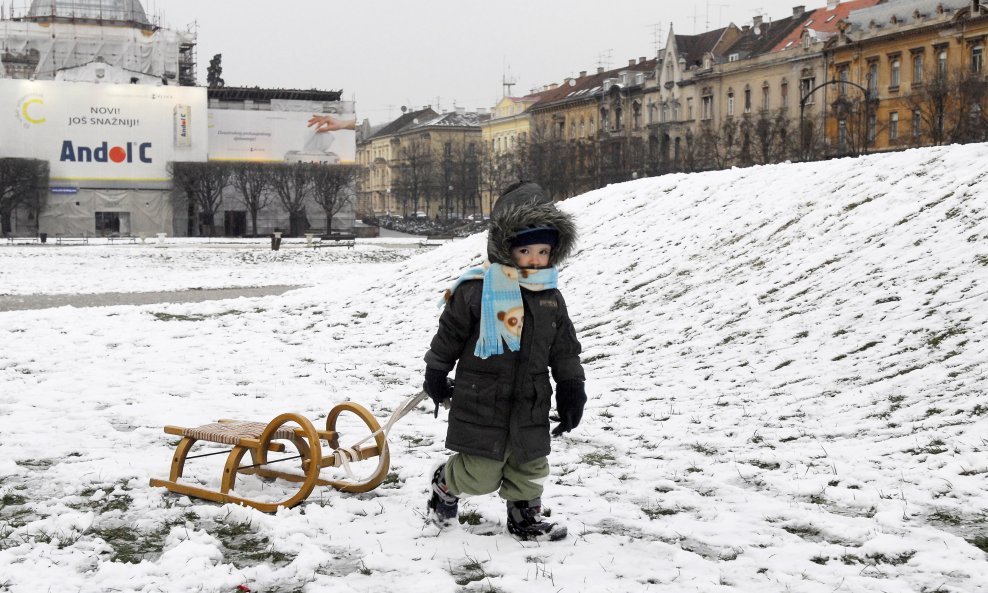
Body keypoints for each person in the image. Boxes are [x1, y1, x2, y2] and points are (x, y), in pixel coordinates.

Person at [422, 181, 587, 541]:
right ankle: (445, 484)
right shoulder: (475, 290)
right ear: (505, 246)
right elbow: (448, 336)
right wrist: (436, 371)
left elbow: (564, 350)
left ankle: (525, 514)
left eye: (544, 251)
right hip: (482, 397)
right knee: (479, 473)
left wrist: (572, 388)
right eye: (525, 249)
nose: (534, 259)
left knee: (529, 464)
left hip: (530, 398)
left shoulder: (550, 297)